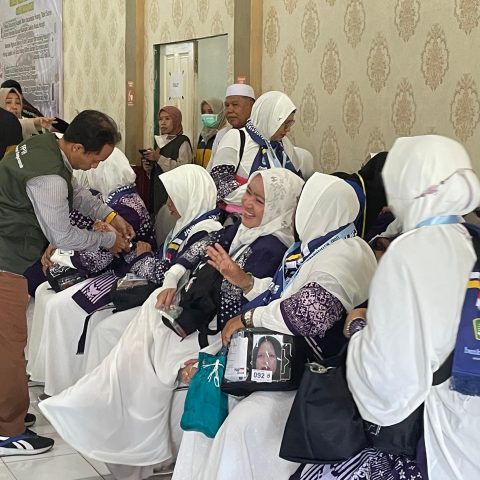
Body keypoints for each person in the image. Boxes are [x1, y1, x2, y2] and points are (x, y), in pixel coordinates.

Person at [39, 169, 304, 479]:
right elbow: (192, 256)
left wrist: (240, 280)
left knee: (149, 354)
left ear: (279, 207)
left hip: (221, 335)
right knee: (144, 335)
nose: (247, 203)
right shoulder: (237, 231)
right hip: (199, 323)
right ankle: (112, 417)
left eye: (259, 200)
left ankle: (130, 433)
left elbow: (260, 304)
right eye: (248, 194)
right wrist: (172, 281)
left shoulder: (274, 248)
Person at [172, 173, 377, 480]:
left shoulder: (346, 254)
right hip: (284, 362)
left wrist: (250, 318)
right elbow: (282, 294)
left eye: (303, 204)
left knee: (243, 424)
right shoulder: (315, 247)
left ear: (318, 209)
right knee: (208, 394)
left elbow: (309, 313)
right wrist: (246, 282)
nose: (295, 213)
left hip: (314, 378)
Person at [309, 135, 480, 480]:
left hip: (437, 428)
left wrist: (360, 330)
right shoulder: (471, 238)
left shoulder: (410, 252)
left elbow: (389, 381)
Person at [0, 109, 133, 455]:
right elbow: (61, 234)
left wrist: (110, 215)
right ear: (76, 147)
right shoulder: (48, 177)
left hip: (8, 253)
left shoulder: (46, 145)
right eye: (94, 159)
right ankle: (7, 431)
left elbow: (76, 194)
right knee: (9, 346)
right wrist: (108, 240)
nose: (95, 167)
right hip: (4, 260)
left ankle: (7, 412)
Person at [76, 164, 224, 376]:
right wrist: (138, 253)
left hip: (174, 307)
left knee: (104, 331)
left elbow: (167, 272)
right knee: (97, 323)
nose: (168, 204)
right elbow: (159, 263)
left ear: (190, 196)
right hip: (157, 296)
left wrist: (143, 258)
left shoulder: (207, 231)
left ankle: (107, 390)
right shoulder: (186, 223)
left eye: (173, 197)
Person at [27, 148, 154, 389]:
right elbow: (82, 228)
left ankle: (65, 382)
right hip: (110, 266)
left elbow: (100, 258)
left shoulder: (125, 206)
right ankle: (42, 371)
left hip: (123, 273)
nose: (90, 170)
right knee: (45, 292)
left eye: (97, 165)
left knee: (60, 305)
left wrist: (64, 257)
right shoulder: (113, 199)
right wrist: (60, 247)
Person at [210, 90, 302, 212]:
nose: (288, 129)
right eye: (285, 123)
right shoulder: (236, 138)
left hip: (279, 215)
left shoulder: (284, 144)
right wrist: (266, 196)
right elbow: (221, 185)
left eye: (290, 124)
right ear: (269, 119)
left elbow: (297, 181)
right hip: (242, 216)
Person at [141, 105, 193, 216]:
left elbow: (183, 171)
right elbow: (159, 172)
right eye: (160, 119)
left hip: (173, 197)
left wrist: (158, 158)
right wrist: (149, 169)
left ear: (176, 121)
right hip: (158, 194)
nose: (163, 123)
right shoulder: (161, 143)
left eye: (167, 119)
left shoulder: (182, 142)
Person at [206, 83, 256, 171]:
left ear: (251, 106)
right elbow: (211, 167)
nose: (229, 110)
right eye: (227, 105)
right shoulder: (222, 135)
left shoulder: (260, 135)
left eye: (235, 104)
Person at [195, 97, 226, 168]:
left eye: (210, 112)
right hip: (201, 174)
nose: (206, 115)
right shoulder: (203, 134)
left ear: (220, 112)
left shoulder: (225, 134)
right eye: (204, 112)